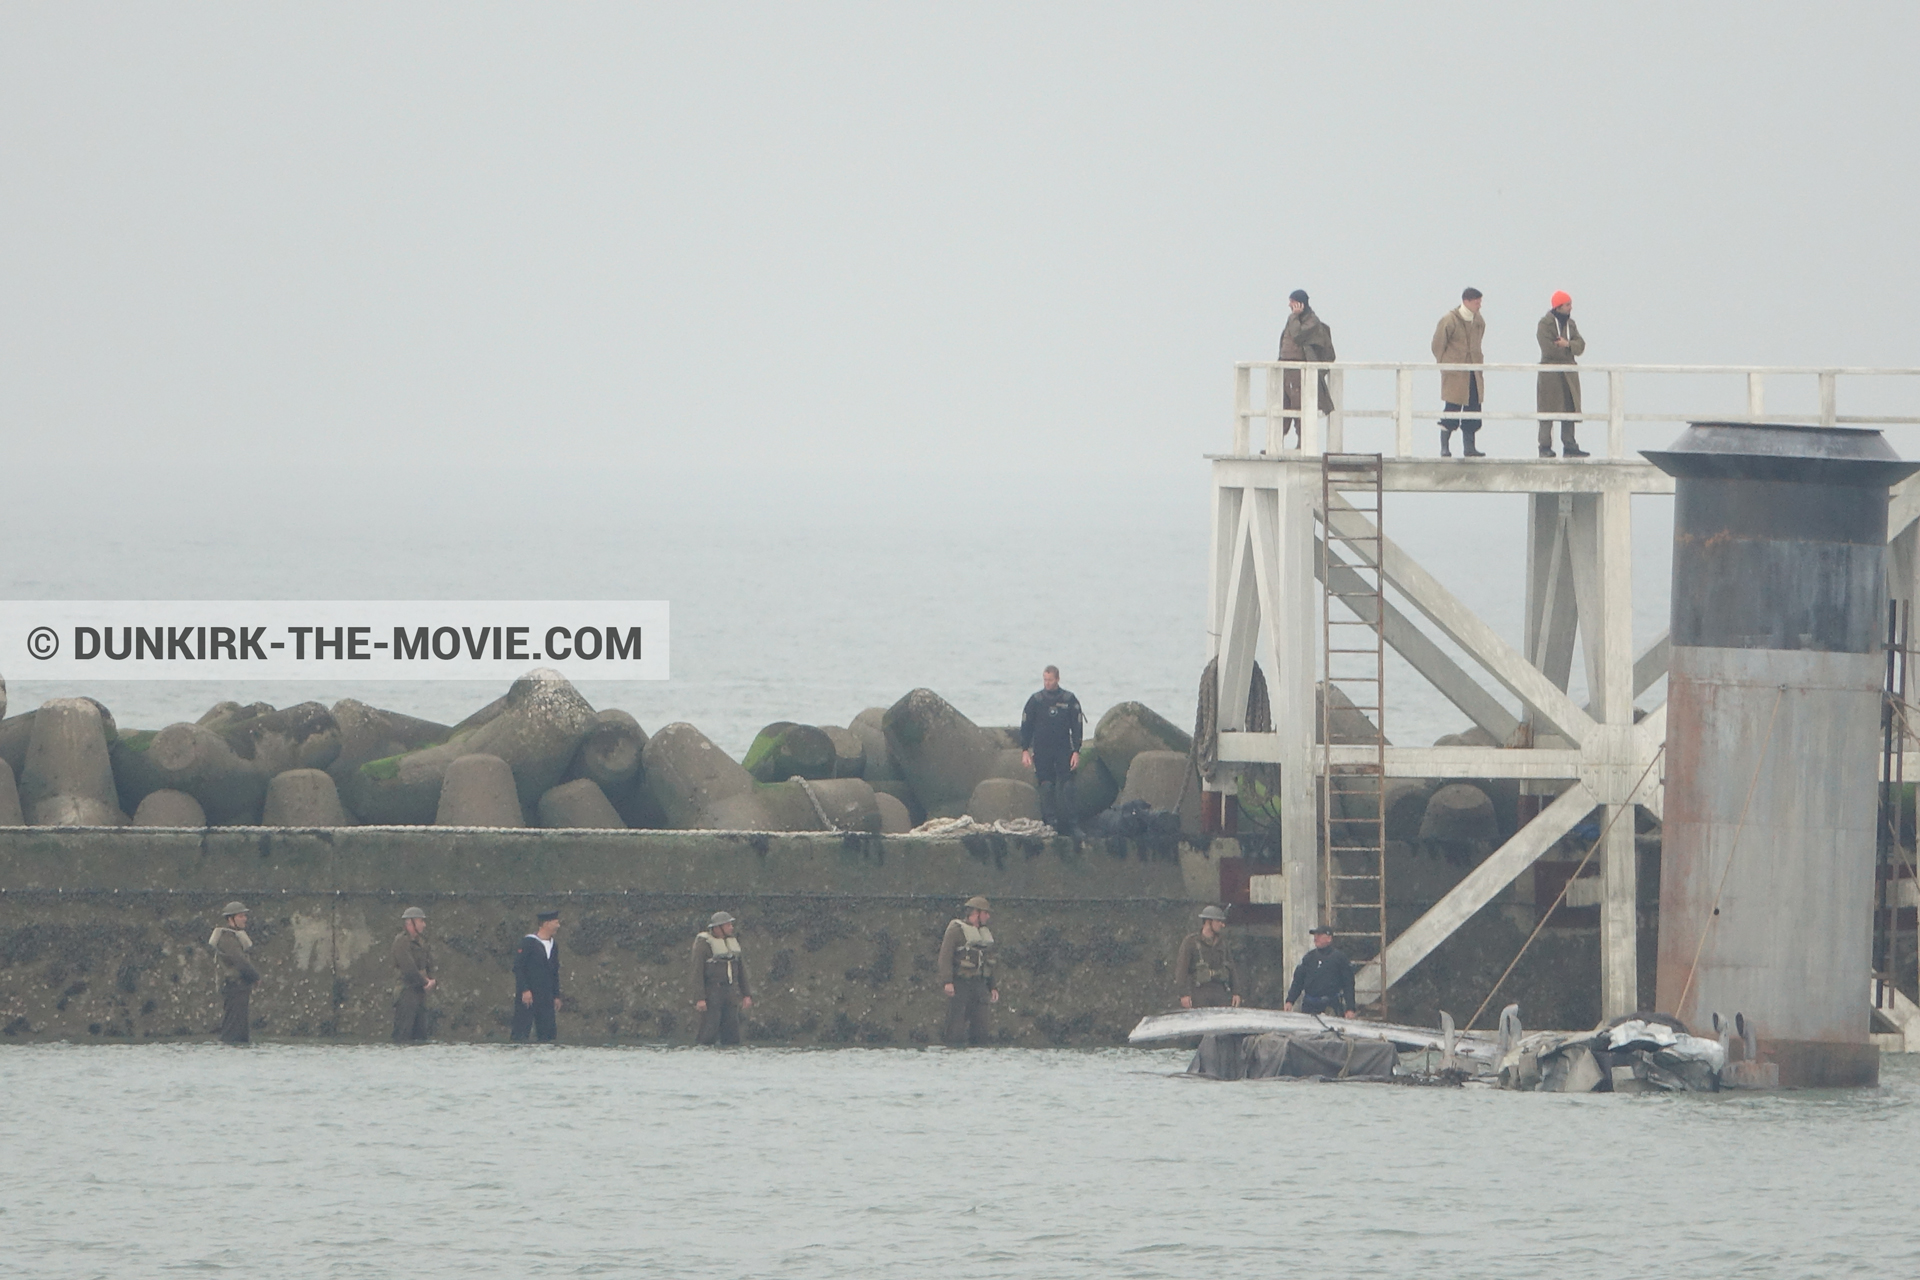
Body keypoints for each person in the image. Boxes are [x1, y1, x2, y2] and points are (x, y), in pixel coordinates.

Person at [1020, 665, 1085, 835]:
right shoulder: (1036, 700)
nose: (1047, 683)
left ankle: (1073, 824)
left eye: (1050, 680)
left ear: (1057, 679)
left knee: (1068, 786)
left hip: (1064, 748)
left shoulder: (1069, 699)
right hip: (1042, 749)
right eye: (1045, 680)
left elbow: (1077, 727)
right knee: (1046, 785)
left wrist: (1076, 751)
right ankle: (1051, 823)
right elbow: (1026, 726)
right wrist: (1025, 750)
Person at [1277, 289, 1336, 447]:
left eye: (1292, 301)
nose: (1289, 305)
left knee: (1298, 405)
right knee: (1284, 404)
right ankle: (1276, 442)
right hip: (1287, 368)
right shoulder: (1293, 319)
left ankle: (1302, 443)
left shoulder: (1311, 321)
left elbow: (1297, 335)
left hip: (1300, 370)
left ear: (1300, 303)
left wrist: (1294, 316)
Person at [1431, 288, 1487, 458]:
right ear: (1467, 301)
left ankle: (1469, 447)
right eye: (1477, 302)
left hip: (1473, 372)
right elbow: (1437, 344)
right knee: (1452, 408)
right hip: (1455, 374)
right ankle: (1445, 447)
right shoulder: (1450, 320)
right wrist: (1446, 365)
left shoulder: (1479, 321)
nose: (1479, 305)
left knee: (1473, 409)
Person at [938, 895, 999, 1047]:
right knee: (956, 1026)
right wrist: (947, 981)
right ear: (976, 913)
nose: (988, 916)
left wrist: (992, 986)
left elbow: (988, 962)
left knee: (981, 1028)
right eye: (985, 913)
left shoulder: (984, 934)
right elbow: (945, 957)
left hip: (979, 985)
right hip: (960, 983)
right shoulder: (956, 931)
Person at [1535, 290, 1589, 458]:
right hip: (1550, 374)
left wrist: (1566, 344)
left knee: (1569, 409)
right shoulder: (1545, 324)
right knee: (1547, 411)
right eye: (1567, 304)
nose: (1570, 307)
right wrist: (1568, 348)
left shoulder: (1571, 324)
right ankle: (1544, 447)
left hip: (1569, 374)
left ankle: (1570, 445)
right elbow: (1548, 348)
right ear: (1558, 306)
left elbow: (1580, 346)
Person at [692, 910, 753, 1046]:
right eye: (727, 925)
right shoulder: (704, 944)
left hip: (730, 992)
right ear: (718, 927)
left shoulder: (732, 944)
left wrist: (746, 994)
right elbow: (697, 972)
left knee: (732, 1032)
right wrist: (700, 998)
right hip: (712, 992)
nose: (731, 928)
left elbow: (741, 971)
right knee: (708, 1031)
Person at [210, 901, 260, 1044]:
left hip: (240, 987)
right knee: (233, 1028)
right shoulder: (228, 939)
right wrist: (255, 977)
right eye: (241, 916)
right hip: (234, 986)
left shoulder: (233, 937)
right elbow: (240, 962)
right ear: (230, 919)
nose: (245, 919)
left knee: (239, 1027)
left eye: (244, 916)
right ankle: (230, 1051)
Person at [1174, 905, 1242, 1009]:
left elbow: (1231, 968)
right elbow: (1182, 969)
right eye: (1218, 921)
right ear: (1208, 922)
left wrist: (1236, 992)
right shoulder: (1191, 942)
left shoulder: (1222, 943)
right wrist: (1183, 994)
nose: (1222, 925)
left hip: (1220, 993)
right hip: (1199, 993)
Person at [510, 909, 563, 1043]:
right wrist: (525, 989)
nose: (558, 925)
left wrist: (556, 995)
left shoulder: (554, 945)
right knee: (521, 1032)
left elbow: (555, 971)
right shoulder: (528, 943)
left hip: (546, 995)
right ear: (546, 923)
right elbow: (519, 967)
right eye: (555, 922)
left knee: (548, 1034)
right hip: (529, 995)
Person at [1283, 925, 1358, 1018]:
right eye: (1315, 935)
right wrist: (1290, 1001)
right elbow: (1298, 981)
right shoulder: (1309, 958)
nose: (1316, 938)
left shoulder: (1340, 958)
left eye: (1319, 935)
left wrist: (1350, 1008)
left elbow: (1348, 985)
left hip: (1331, 1006)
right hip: (1309, 1007)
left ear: (1329, 938)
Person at [391, 906, 437, 1043]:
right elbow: (408, 968)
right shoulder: (401, 942)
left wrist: (432, 980)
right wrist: (425, 982)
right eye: (420, 921)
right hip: (406, 993)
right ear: (410, 923)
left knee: (421, 1035)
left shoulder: (422, 942)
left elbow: (428, 964)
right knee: (403, 1034)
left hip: (419, 993)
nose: (424, 924)